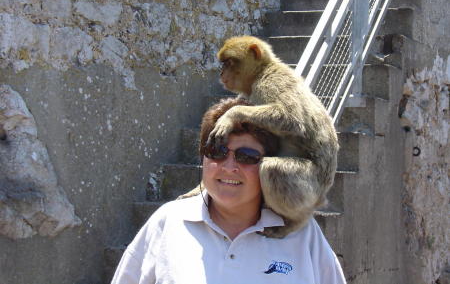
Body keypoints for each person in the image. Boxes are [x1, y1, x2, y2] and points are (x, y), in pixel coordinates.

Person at [111, 98, 346, 284]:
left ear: (270, 167)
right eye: (217, 151)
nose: (229, 167)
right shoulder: (169, 222)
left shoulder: (302, 235)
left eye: (247, 157)